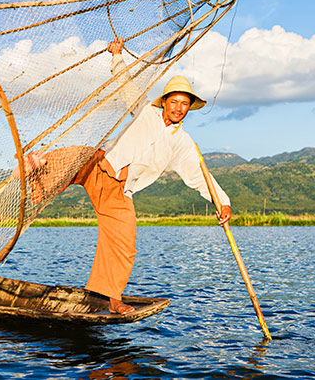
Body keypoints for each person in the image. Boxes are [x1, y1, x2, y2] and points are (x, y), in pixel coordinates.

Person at [23, 37, 232, 314]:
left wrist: (222, 202)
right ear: (166, 102)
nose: (179, 108)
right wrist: (117, 57)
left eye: (184, 104)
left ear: (188, 108)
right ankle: (34, 175)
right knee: (72, 157)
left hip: (120, 190)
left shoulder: (183, 143)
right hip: (100, 165)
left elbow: (198, 176)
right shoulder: (146, 111)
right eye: (175, 101)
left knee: (125, 241)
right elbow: (126, 85)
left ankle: (112, 298)